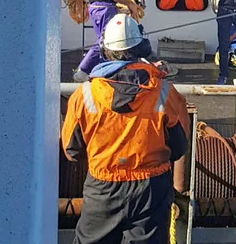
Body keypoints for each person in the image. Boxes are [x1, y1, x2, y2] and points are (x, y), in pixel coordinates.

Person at [62, 13, 189, 244]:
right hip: (151, 190)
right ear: (141, 47)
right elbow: (179, 147)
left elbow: (72, 150)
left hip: (102, 189)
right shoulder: (164, 92)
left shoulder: (85, 94)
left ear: (105, 50)